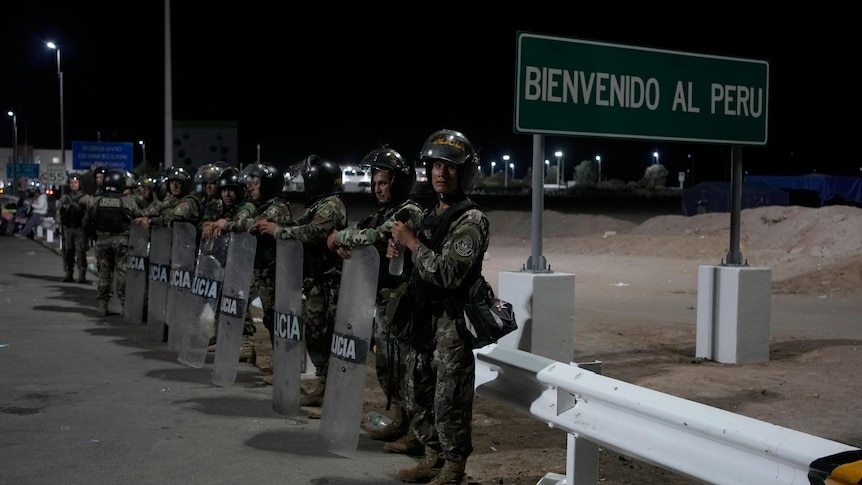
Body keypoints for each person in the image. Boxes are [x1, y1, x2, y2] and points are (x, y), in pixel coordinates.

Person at [388, 129, 489, 484]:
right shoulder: (430, 212)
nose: (440, 173)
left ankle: (453, 467)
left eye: (449, 167)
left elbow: (448, 273)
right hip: (423, 318)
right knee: (417, 390)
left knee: (450, 401)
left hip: (452, 323)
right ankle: (432, 456)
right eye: (435, 166)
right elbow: (415, 258)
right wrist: (398, 248)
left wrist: (413, 244)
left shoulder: (471, 220)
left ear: (464, 173)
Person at [326, 146, 423, 453]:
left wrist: (337, 238)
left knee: (406, 367)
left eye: (384, 183)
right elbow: (359, 233)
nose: (378, 189)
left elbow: (372, 237)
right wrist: (344, 241)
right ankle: (396, 414)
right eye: (376, 183)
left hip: (404, 303)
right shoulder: (379, 213)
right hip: (384, 302)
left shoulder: (409, 212)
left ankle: (412, 426)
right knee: (386, 364)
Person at [250, 155, 346, 401]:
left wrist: (279, 230)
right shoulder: (318, 205)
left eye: (308, 180)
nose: (305, 184)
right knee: (315, 333)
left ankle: (332, 390)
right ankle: (325, 386)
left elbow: (315, 232)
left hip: (327, 282)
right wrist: (270, 225)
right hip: (315, 280)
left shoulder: (331, 205)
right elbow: (299, 226)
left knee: (323, 333)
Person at [214, 163, 292, 368]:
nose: (251, 187)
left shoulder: (277, 207)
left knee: (278, 319)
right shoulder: (263, 205)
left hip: (275, 272)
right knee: (271, 318)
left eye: (256, 184)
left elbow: (253, 225)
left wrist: (226, 225)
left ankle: (284, 366)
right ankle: (280, 364)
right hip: (264, 269)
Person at [201, 166, 258, 355]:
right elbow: (207, 220)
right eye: (224, 190)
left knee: (239, 301)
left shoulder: (246, 207)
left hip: (244, 262)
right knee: (221, 299)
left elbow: (240, 223)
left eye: (231, 190)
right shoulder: (220, 206)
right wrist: (208, 225)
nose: (227, 194)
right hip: (224, 261)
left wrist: (224, 225)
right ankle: (223, 336)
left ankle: (247, 344)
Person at [83, 168, 143, 317]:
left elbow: (87, 222)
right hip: (122, 241)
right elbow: (139, 218)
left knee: (104, 274)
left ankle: (102, 305)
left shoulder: (96, 201)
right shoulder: (127, 201)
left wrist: (93, 235)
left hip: (102, 240)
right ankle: (124, 305)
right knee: (123, 273)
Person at [57, 173, 92, 282]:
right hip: (67, 228)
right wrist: (58, 225)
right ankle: (69, 272)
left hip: (80, 228)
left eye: (75, 183)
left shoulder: (85, 198)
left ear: (79, 184)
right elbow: (59, 213)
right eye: (71, 183)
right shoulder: (65, 198)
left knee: (80, 251)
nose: (73, 185)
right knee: (68, 251)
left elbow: (90, 213)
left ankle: (82, 274)